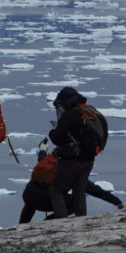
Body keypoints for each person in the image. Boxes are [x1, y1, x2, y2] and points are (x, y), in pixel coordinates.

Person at [19, 143, 123, 223]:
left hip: (28, 195)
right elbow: (94, 190)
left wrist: (42, 149)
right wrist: (117, 201)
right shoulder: (71, 169)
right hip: (44, 201)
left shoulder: (52, 158)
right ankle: (46, 224)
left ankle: (22, 226)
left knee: (32, 197)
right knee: (75, 202)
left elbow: (42, 159)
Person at [47, 86, 107, 218]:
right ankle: (81, 219)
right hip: (89, 159)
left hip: (71, 158)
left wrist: (53, 130)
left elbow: (57, 138)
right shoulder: (91, 111)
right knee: (79, 190)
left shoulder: (70, 114)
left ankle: (62, 222)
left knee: (55, 190)